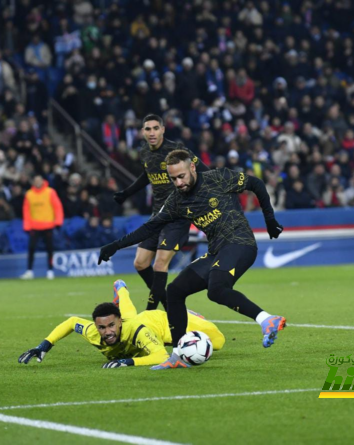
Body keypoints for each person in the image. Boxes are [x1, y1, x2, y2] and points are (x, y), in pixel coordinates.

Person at [98, 149, 285, 370]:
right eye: (173, 178)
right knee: (175, 291)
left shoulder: (218, 178)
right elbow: (150, 227)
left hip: (239, 242)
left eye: (181, 176)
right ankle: (177, 354)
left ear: (192, 168)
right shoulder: (176, 201)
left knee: (216, 289)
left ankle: (266, 319)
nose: (178, 182)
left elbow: (256, 184)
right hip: (216, 250)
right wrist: (116, 245)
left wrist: (270, 220)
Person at [112, 114, 209, 310]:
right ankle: (169, 304)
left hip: (177, 216)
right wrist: (127, 193)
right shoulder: (145, 151)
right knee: (140, 263)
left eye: (156, 128)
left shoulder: (176, 151)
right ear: (142, 132)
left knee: (159, 265)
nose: (152, 133)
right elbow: (146, 175)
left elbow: (204, 171)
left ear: (163, 129)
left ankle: (150, 312)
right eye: (148, 129)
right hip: (157, 216)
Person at [18, 280, 225, 368]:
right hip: (131, 319)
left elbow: (161, 356)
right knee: (128, 312)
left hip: (161, 323)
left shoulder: (135, 331)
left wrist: (128, 362)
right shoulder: (94, 331)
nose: (106, 332)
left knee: (217, 342)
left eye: (110, 326)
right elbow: (72, 322)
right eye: (102, 328)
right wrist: (44, 345)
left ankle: (187, 313)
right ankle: (121, 290)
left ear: (118, 324)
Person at [21, 175, 64, 280]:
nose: (37, 182)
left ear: (42, 181)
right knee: (31, 249)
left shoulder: (50, 192)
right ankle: (29, 271)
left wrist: (58, 221)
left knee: (50, 249)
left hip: (48, 225)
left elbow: (57, 207)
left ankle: (50, 271)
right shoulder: (29, 194)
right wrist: (27, 225)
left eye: (39, 180)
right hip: (35, 226)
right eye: (35, 180)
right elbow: (26, 211)